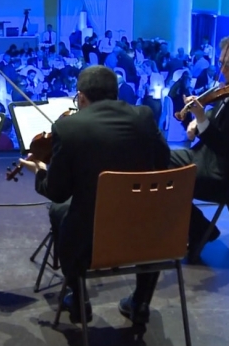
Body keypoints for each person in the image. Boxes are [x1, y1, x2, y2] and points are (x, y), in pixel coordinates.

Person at [19, 65, 170, 325]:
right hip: (147, 233)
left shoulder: (68, 128)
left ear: (81, 97)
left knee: (59, 210)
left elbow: (57, 192)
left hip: (92, 240)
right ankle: (140, 302)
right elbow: (163, 161)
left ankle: (79, 299)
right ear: (115, 92)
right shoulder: (144, 116)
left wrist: (41, 171)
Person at [171, 35, 229, 260]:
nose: (222, 70)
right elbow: (219, 114)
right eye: (221, 62)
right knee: (159, 158)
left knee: (164, 176)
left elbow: (224, 146)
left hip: (226, 174)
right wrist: (198, 122)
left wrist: (201, 117)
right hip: (210, 158)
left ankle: (200, 229)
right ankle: (196, 227)